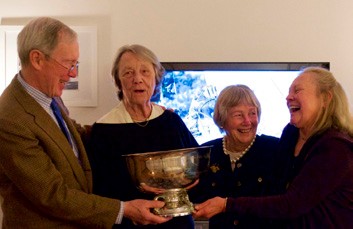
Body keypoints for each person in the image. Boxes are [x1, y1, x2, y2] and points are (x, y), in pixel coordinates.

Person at [0, 17, 171, 228]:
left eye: (76, 64)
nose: (73, 74)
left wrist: (130, 123)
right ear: (37, 59)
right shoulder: (9, 118)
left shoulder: (49, 96)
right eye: (68, 64)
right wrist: (124, 209)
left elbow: (73, 135)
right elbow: (53, 195)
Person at [193, 67, 353, 229]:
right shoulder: (291, 134)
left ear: (325, 99)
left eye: (297, 90)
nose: (288, 97)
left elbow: (291, 203)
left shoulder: (335, 149)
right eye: (238, 115)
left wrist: (227, 204)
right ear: (222, 119)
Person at [87, 44, 199, 229]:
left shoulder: (171, 120)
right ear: (118, 81)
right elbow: (100, 191)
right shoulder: (103, 129)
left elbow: (195, 166)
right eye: (128, 73)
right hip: (131, 224)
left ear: (156, 77)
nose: (137, 79)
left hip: (177, 222)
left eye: (145, 71)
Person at [189, 85, 280, 228]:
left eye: (252, 113)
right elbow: (191, 197)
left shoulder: (275, 150)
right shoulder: (206, 153)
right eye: (238, 115)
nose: (248, 121)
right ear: (222, 120)